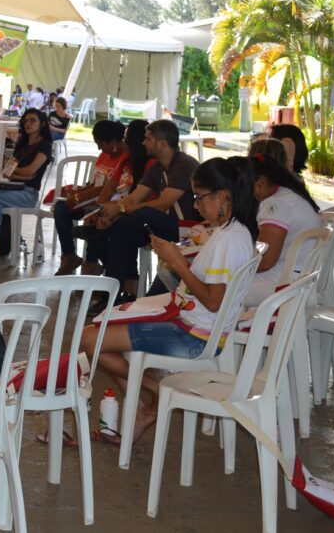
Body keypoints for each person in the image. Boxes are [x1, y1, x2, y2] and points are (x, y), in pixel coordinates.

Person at [78, 156, 258, 443]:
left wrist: (177, 262)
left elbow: (213, 301)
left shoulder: (229, 239)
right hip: (191, 321)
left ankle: (157, 393)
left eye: (199, 198)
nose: (196, 206)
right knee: (101, 330)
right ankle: (144, 407)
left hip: (195, 335)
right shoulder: (232, 231)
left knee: (89, 340)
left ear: (222, 196)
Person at [96, 119, 201, 302]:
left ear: (162, 143)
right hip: (164, 226)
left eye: (148, 139)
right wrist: (114, 213)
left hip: (188, 228)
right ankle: (115, 297)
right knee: (119, 234)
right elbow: (134, 197)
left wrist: (120, 209)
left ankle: (116, 292)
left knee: (145, 214)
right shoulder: (157, 167)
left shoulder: (183, 164)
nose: (143, 142)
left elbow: (162, 204)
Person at [0, 108, 53, 267]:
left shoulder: (45, 146)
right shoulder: (22, 145)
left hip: (28, 194)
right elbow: (7, 172)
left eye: (33, 120)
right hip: (12, 189)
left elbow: (30, 171)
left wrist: (18, 173)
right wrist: (22, 175)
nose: (28, 124)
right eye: (25, 121)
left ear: (42, 124)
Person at [244, 138, 322, 305]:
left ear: (260, 182)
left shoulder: (277, 205)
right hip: (297, 277)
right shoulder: (287, 193)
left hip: (286, 284)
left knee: (215, 288)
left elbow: (265, 261)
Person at [53, 120, 129, 275]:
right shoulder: (104, 155)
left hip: (111, 204)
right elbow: (96, 183)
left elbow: (109, 188)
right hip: (93, 201)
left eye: (100, 144)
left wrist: (80, 198)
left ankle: (91, 263)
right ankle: (69, 255)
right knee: (60, 207)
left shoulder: (125, 158)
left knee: (94, 219)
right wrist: (78, 192)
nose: (99, 148)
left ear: (113, 142)